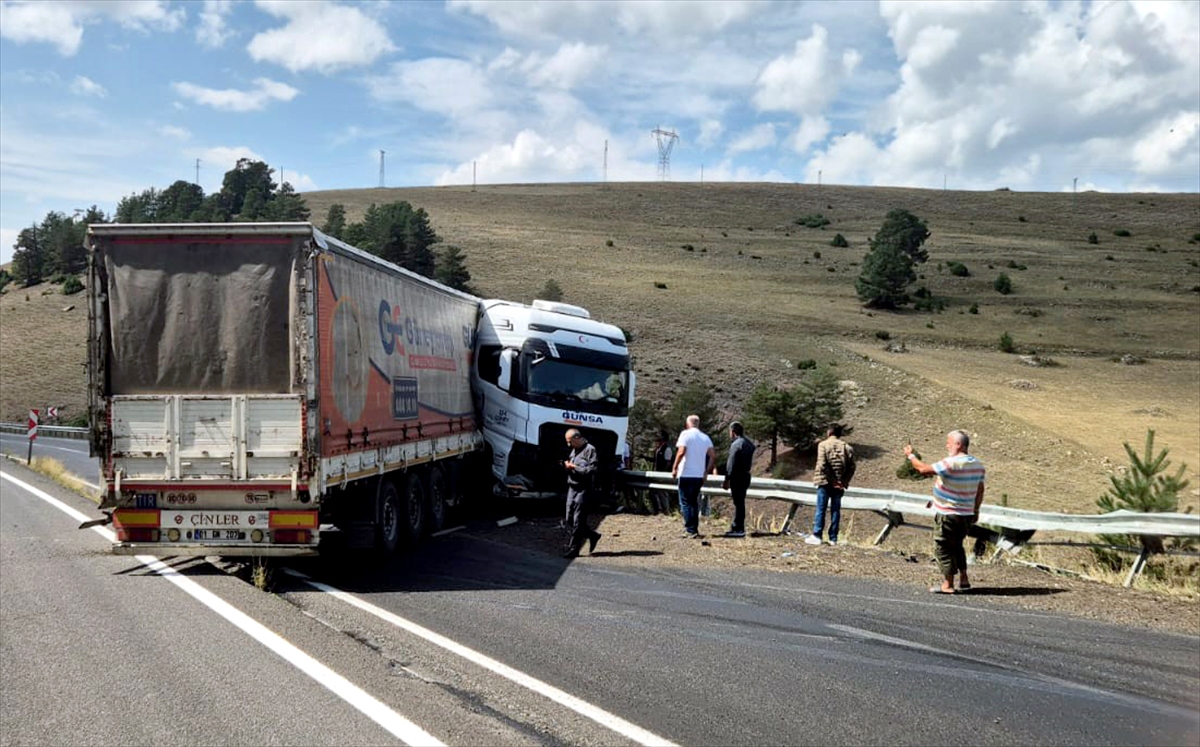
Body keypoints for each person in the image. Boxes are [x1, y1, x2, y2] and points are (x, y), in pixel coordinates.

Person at [904, 430, 986, 594]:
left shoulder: (951, 463)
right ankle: (964, 578)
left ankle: (948, 584)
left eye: (949, 442)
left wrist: (911, 456)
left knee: (942, 546)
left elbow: (923, 469)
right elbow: (980, 489)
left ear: (958, 444)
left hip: (948, 513)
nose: (946, 445)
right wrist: (976, 510)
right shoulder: (978, 465)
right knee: (957, 545)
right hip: (966, 514)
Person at [807, 424, 856, 546]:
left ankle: (817, 535)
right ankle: (833, 538)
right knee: (835, 510)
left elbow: (822, 465)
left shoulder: (823, 445)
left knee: (821, 509)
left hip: (825, 482)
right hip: (839, 485)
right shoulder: (847, 447)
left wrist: (832, 479)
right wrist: (842, 482)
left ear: (829, 432)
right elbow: (852, 467)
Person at [671, 415, 715, 537]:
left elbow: (681, 451)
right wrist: (706, 471)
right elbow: (712, 455)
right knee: (694, 502)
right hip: (699, 475)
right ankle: (694, 528)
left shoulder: (685, 434)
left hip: (686, 473)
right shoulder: (705, 437)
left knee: (685, 502)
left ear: (688, 423)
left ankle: (689, 529)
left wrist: (675, 467)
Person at [561, 429, 602, 558]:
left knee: (578, 519)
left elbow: (592, 469)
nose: (569, 445)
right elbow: (573, 466)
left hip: (584, 489)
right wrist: (567, 466)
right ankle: (592, 535)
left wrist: (575, 468)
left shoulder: (590, 450)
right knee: (569, 518)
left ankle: (574, 549)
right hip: (572, 487)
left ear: (578, 438)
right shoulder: (574, 449)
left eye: (570, 442)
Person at [722, 422, 755, 538]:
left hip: (737, 476)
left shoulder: (736, 444)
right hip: (746, 475)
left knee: (738, 503)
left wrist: (727, 479)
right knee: (741, 502)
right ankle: (739, 526)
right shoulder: (749, 444)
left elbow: (731, 463)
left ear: (733, 432)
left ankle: (738, 527)